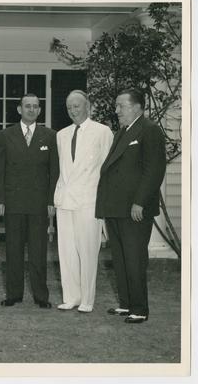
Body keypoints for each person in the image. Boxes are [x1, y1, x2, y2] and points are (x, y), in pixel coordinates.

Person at [96, 88, 166, 324]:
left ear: (137, 107)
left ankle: (139, 308)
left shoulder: (149, 130)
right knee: (120, 258)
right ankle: (126, 304)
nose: (116, 111)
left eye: (121, 106)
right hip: (116, 208)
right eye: (117, 106)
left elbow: (154, 171)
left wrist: (140, 202)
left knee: (134, 259)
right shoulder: (123, 131)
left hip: (134, 209)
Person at [0, 93, 59, 308]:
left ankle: (41, 296)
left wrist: (51, 201)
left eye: (35, 107)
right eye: (27, 106)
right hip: (13, 203)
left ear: (39, 110)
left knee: (39, 252)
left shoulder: (49, 136)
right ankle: (14, 294)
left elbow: (54, 172)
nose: (31, 110)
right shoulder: (5, 135)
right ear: (19, 110)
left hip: (39, 205)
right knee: (13, 250)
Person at [54, 90, 113, 313]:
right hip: (65, 200)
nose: (73, 111)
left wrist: (105, 202)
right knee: (66, 252)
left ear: (88, 106)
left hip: (90, 200)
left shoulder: (102, 132)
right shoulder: (62, 134)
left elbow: (108, 169)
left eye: (77, 106)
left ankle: (87, 300)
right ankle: (71, 296)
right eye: (69, 107)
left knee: (88, 252)